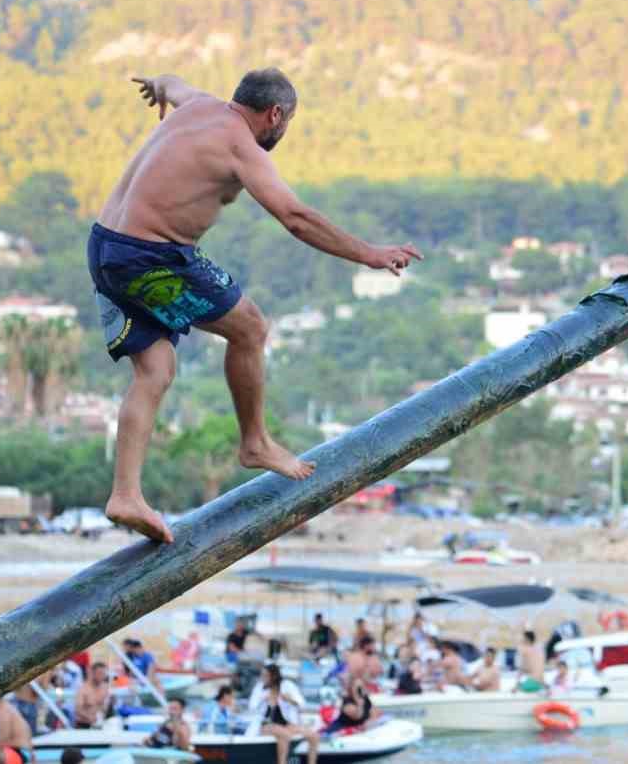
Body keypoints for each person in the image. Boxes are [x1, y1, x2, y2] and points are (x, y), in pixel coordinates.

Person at [91, 69, 422, 542]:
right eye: (286, 125)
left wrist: (157, 85)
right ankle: (254, 442)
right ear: (275, 115)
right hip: (150, 258)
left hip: (105, 250)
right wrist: (369, 253)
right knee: (249, 328)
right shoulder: (239, 145)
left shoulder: (200, 105)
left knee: (155, 370)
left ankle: (126, 495)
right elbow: (295, 217)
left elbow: (171, 84)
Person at [251, 666, 316, 764]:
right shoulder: (260, 688)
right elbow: (251, 707)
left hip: (285, 724)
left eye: (265, 675)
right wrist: (263, 699)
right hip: (266, 724)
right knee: (285, 734)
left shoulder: (287, 686)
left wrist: (289, 699)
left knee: (314, 736)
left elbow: (301, 703)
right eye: (262, 675)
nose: (262, 678)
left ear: (273, 676)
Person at [73, 662, 111, 728]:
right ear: (93, 673)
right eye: (100, 673)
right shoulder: (83, 689)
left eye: (104, 674)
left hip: (100, 723)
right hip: (84, 724)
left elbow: (105, 707)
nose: (102, 676)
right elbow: (78, 709)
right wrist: (89, 717)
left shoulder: (105, 688)